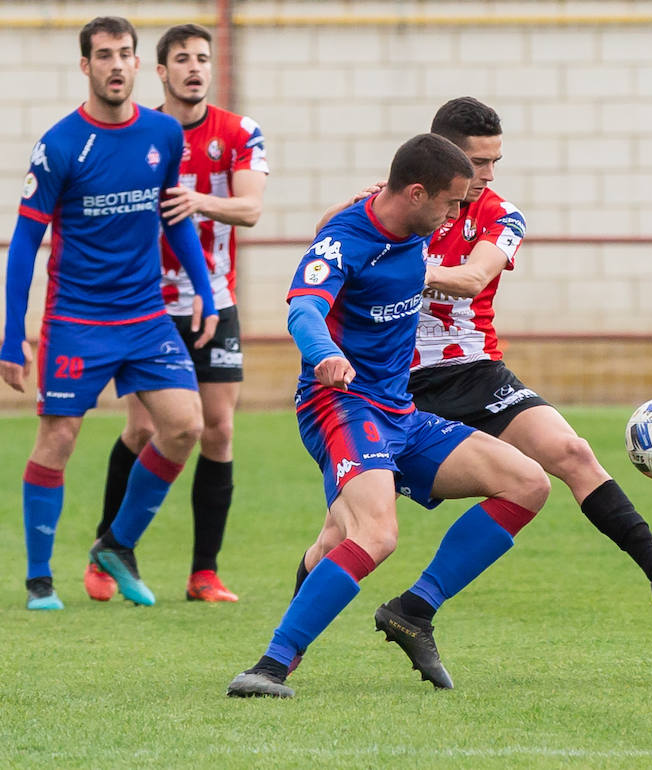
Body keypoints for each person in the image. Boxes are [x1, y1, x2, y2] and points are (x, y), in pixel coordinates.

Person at [307, 97, 652, 684]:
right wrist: (353, 217)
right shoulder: (400, 204)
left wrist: (389, 268)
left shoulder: (502, 215)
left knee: (570, 454)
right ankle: (288, 650)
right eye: (478, 163)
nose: (489, 175)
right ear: (443, 160)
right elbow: (325, 245)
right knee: (341, 534)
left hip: (475, 371)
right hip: (388, 384)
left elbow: (474, 276)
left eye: (496, 160)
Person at [225, 133, 550, 698]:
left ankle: (412, 610)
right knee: (376, 533)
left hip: (400, 412)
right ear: (418, 194)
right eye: (450, 203)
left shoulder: (410, 221)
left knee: (528, 482)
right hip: (341, 405)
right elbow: (304, 307)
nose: (456, 215)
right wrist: (324, 353)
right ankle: (269, 667)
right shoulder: (348, 238)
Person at [0, 16, 219, 610]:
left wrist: (202, 289)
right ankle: (40, 579)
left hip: (146, 317)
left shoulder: (163, 135)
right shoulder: (61, 144)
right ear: (86, 67)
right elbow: (25, 245)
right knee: (59, 440)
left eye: (125, 53)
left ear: (137, 63)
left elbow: (177, 216)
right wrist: (10, 334)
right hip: (76, 319)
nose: (116, 64)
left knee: (184, 427)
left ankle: (116, 545)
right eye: (103, 55)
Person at [87, 23, 269, 604]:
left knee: (218, 429)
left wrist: (200, 200)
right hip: (147, 307)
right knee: (143, 428)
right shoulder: (141, 133)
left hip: (214, 300)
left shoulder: (238, 132)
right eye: (183, 60)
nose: (196, 68)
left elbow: (251, 209)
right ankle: (110, 548)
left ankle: (203, 573)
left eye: (203, 59)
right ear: (159, 72)